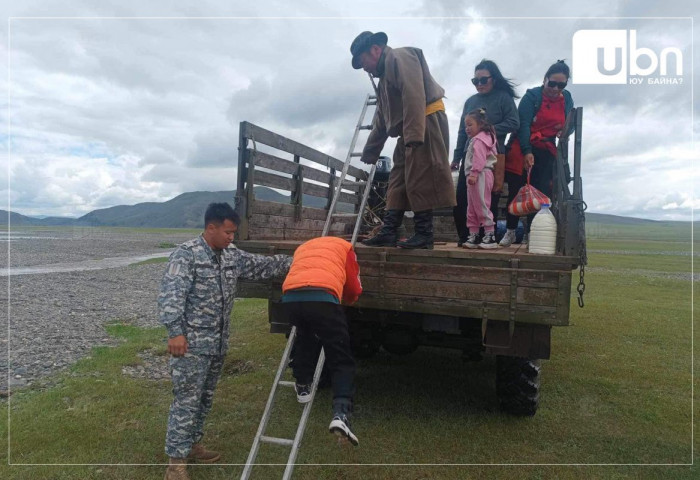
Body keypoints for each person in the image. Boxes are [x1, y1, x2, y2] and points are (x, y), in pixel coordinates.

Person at [159, 202, 292, 480]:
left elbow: (262, 266)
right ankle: (175, 463)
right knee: (186, 401)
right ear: (211, 227)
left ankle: (193, 444)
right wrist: (175, 332)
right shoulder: (187, 255)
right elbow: (172, 294)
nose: (232, 237)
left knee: (205, 399)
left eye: (233, 233)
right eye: (228, 232)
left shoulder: (230, 254)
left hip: (217, 343)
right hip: (191, 345)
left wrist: (301, 258)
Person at [350, 31, 456, 250]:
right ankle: (389, 231)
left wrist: (415, 134)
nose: (365, 69)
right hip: (409, 128)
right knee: (397, 178)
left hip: (425, 120)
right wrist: (371, 151)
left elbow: (413, 93)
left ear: (375, 50)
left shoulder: (399, 57)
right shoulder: (383, 82)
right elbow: (382, 119)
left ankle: (424, 234)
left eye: (363, 62)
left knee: (420, 175)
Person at [281, 236, 362, 446]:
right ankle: (341, 413)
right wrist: (346, 302)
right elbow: (353, 285)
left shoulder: (303, 246)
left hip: (290, 298)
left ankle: (303, 383)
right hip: (324, 298)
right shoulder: (345, 248)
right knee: (340, 356)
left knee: (305, 336)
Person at [500, 60, 574, 247]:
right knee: (518, 190)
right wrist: (527, 151)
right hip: (523, 147)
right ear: (545, 79)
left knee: (540, 192)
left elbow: (571, 122)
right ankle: (510, 231)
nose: (556, 88)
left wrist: (565, 132)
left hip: (547, 149)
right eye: (552, 83)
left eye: (561, 84)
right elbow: (523, 124)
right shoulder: (531, 96)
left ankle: (532, 234)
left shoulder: (567, 99)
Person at [451, 59, 519, 246]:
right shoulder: (470, 101)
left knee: (489, 197)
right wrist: (457, 157)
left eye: (483, 80)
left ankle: (488, 236)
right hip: (469, 154)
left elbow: (514, 122)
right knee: (463, 198)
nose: (479, 84)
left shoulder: (504, 98)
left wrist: (487, 130)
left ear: (494, 79)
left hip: (493, 155)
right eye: (475, 81)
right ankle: (467, 236)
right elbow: (461, 130)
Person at [462, 109, 499, 249]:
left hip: (480, 174)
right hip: (474, 176)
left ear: (480, 124)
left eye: (470, 124)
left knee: (482, 204)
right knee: (472, 206)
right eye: (466, 125)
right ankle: (474, 234)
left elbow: (479, 158)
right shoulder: (476, 139)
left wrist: (474, 173)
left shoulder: (480, 140)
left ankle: (490, 235)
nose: (467, 128)